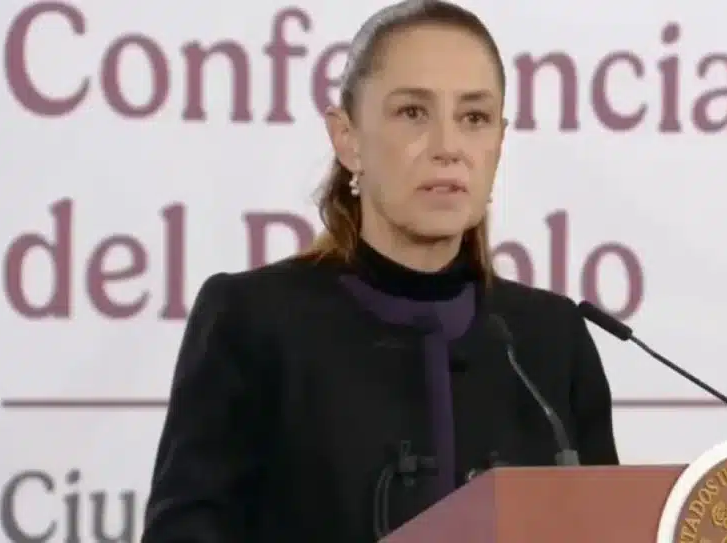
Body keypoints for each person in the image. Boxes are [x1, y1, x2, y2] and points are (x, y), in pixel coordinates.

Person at [140, 1, 619, 541]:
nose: (448, 148)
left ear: (499, 143)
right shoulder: (253, 323)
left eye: (474, 118)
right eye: (413, 112)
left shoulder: (551, 340)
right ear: (347, 138)